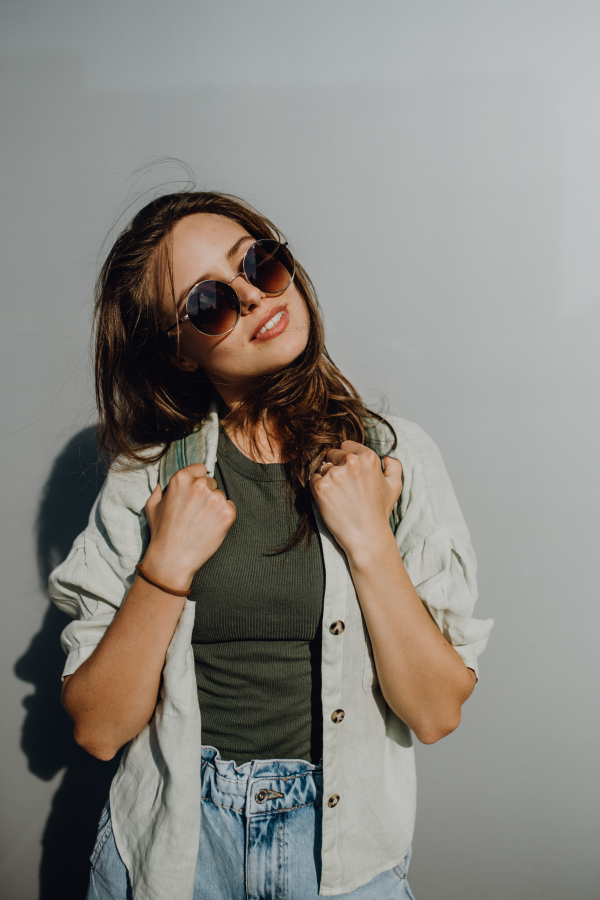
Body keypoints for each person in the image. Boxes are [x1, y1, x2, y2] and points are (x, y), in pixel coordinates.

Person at [49, 191, 493, 900]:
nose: (254, 296)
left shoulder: (394, 458)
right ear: (181, 350)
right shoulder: (147, 480)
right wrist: (165, 567)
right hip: (176, 851)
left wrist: (369, 540)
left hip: (344, 857)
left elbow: (436, 712)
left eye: (260, 262)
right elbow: (100, 731)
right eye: (209, 304)